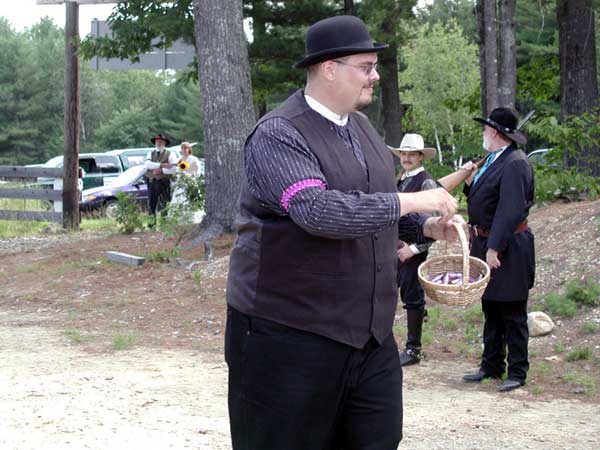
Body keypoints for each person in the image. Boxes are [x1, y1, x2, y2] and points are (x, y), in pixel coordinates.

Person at [224, 15, 465, 450]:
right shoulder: (278, 134)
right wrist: (413, 201)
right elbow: (317, 210)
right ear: (330, 68)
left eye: (374, 66)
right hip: (287, 337)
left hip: (368, 339)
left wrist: (428, 226)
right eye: (366, 66)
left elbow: (374, 203)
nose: (375, 76)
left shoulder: (363, 128)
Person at [461, 107, 535, 393]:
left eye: (485, 129)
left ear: (494, 132)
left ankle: (517, 371)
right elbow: (488, 199)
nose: (483, 134)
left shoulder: (515, 162)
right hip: (488, 242)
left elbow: (510, 209)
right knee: (491, 305)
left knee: (513, 310)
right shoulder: (495, 159)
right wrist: (470, 186)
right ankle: (491, 364)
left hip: (508, 247)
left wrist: (494, 248)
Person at [388, 133, 440, 366]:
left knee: (413, 299)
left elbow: (437, 226)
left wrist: (415, 249)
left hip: (413, 251)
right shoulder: (400, 179)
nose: (406, 158)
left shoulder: (426, 182)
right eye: (404, 153)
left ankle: (414, 350)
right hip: (395, 248)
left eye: (411, 154)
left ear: (420, 157)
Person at [144, 133, 177, 219]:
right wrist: (162, 165)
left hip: (164, 182)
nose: (158, 143)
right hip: (152, 181)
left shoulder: (171, 154)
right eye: (157, 141)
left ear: (164, 143)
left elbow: (174, 168)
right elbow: (147, 165)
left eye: (161, 142)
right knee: (152, 203)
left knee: (165, 203)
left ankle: (164, 224)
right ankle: (151, 225)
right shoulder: (150, 153)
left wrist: (161, 170)